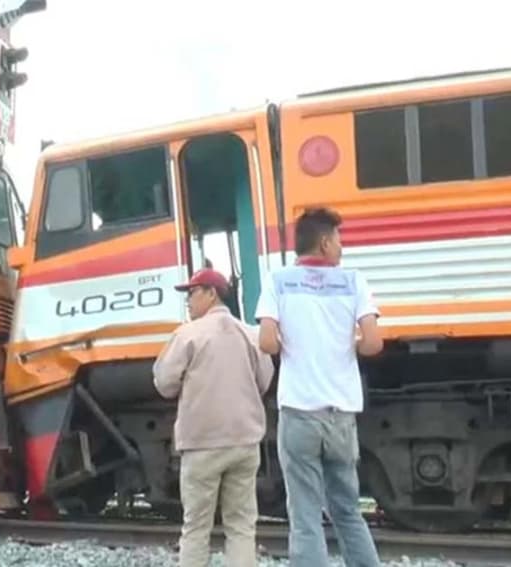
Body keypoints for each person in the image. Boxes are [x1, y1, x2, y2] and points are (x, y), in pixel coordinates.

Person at [254, 207, 383, 566]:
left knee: (306, 515)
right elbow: (373, 343)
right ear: (325, 242)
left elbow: (266, 342)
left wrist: (289, 345)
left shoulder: (278, 280)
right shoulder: (354, 281)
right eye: (339, 239)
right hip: (341, 416)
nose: (341, 247)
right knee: (348, 511)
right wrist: (347, 347)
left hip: (299, 413)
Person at [152, 268, 275, 567]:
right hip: (245, 443)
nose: (188, 301)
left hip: (202, 445)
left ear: (211, 293)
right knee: (242, 526)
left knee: (196, 527)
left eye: (192, 293)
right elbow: (265, 381)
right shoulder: (250, 334)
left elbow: (164, 384)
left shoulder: (188, 335)